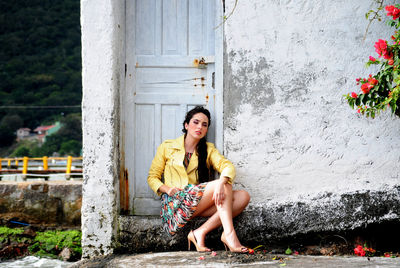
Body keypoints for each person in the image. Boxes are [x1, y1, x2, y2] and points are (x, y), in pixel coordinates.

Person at [147, 106, 250, 253]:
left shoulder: (208, 149)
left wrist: (222, 182)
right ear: (186, 125)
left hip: (195, 203)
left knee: (242, 196)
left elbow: (227, 166)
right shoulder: (167, 146)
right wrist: (168, 190)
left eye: (204, 124)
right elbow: (152, 177)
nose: (199, 127)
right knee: (225, 186)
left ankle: (199, 232)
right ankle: (229, 235)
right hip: (175, 206)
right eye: (195, 122)